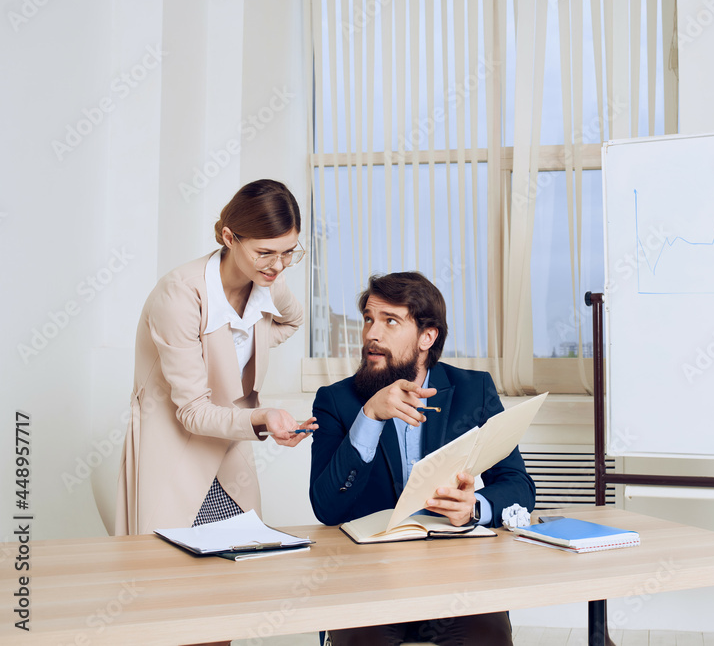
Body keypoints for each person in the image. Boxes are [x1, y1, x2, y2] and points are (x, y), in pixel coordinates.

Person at [310, 271, 534, 646]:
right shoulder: (336, 400)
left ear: (427, 337)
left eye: (390, 321)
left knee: (488, 639)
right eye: (368, 318)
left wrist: (473, 508)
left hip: (456, 578)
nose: (371, 334)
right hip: (368, 578)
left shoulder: (473, 391)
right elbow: (326, 508)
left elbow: (519, 487)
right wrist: (369, 417)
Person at [116, 179, 318, 539]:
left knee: (247, 554)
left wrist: (242, 343)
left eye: (289, 252)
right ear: (229, 237)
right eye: (265, 252)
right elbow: (193, 412)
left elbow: (292, 320)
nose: (278, 265)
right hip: (176, 450)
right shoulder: (180, 295)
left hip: (229, 445)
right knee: (174, 562)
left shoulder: (270, 281)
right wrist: (262, 416)